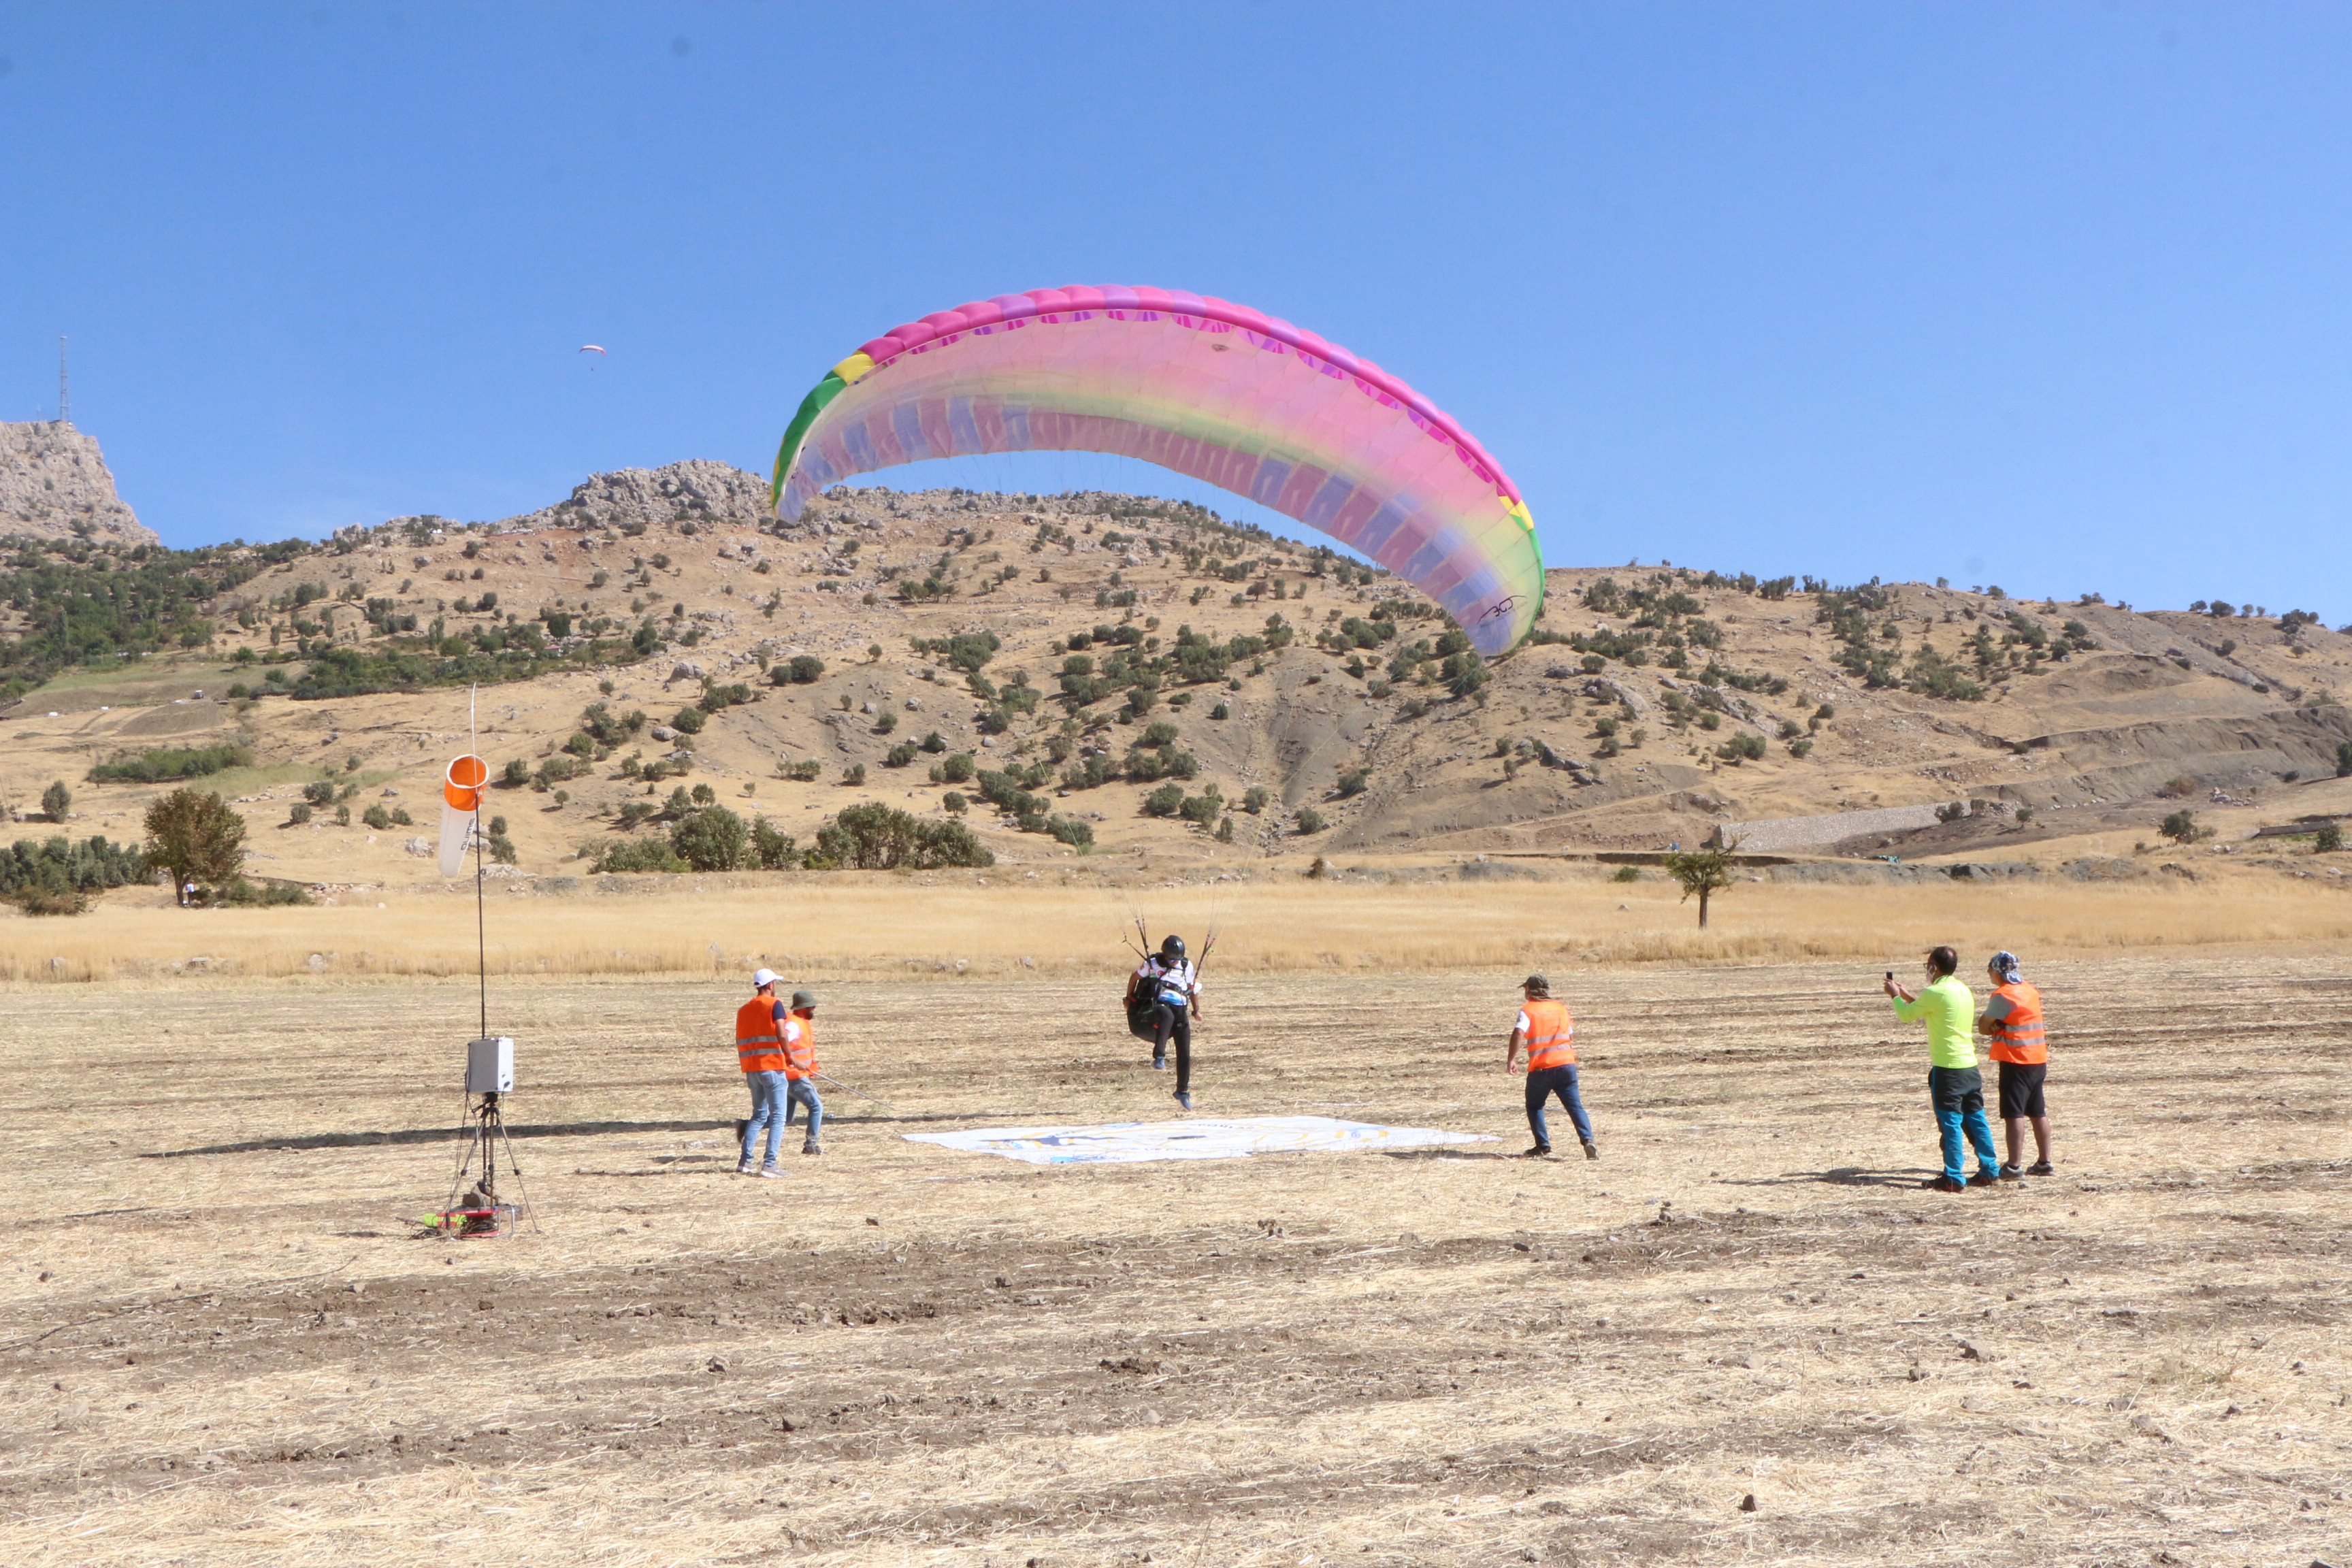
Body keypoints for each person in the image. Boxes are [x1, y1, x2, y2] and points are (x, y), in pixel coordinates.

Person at [1885, 947, 2000, 1192]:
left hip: (1948, 1070)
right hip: (1969, 1066)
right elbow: (1933, 1009)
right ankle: (1990, 1169)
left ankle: (1953, 1176)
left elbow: (1907, 1016)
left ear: (1934, 967)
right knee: (1977, 1119)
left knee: (1950, 1123)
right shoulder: (1961, 989)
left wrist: (1895, 996)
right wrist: (1907, 994)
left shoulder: (1935, 992)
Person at [1976, 950, 2053, 1177]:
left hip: (2015, 1060)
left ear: (1998, 971)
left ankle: (2014, 1165)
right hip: (2037, 1058)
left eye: (1990, 969)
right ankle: (2045, 1162)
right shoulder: (2029, 990)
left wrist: (1995, 1025)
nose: (1988, 973)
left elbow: (1983, 1026)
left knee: (2014, 1113)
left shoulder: (2003, 995)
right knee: (2037, 1111)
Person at [1505, 974, 1596, 1160]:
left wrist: (1511, 1059)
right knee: (1575, 1107)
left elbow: (1518, 1033)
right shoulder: (1561, 1009)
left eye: (1525, 989)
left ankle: (1543, 1146)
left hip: (1542, 1069)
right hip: (1566, 1065)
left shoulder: (1528, 1010)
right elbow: (1569, 1035)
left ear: (1530, 990)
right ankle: (1588, 1140)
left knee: (1535, 1106)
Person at [1126, 934, 1202, 1110]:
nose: (1175, 962)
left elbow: (1193, 988)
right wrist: (1129, 997)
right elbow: (1134, 978)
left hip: (1181, 1008)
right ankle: (1159, 1056)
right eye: (1171, 959)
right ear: (1165, 955)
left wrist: (1196, 1010)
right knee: (1167, 1017)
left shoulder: (1186, 965)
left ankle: (1182, 1091)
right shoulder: (1153, 964)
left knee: (1185, 1051)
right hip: (1160, 1004)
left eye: (1178, 958)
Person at [733, 968, 790, 1177]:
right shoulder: (775, 1005)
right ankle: (770, 1164)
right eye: (775, 983)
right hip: (773, 1067)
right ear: (770, 985)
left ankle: (745, 1162)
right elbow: (782, 1033)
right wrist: (790, 1056)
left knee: (758, 1115)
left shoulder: (744, 1010)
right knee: (778, 1117)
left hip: (752, 1069)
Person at [780, 989, 824, 1156]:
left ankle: (746, 1126)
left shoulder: (799, 1022)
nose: (814, 1009)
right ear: (803, 1008)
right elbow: (781, 1046)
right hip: (795, 1076)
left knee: (785, 1119)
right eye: (812, 1006)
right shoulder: (793, 1025)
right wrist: (795, 1062)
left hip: (791, 1076)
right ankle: (811, 1145)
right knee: (816, 1106)